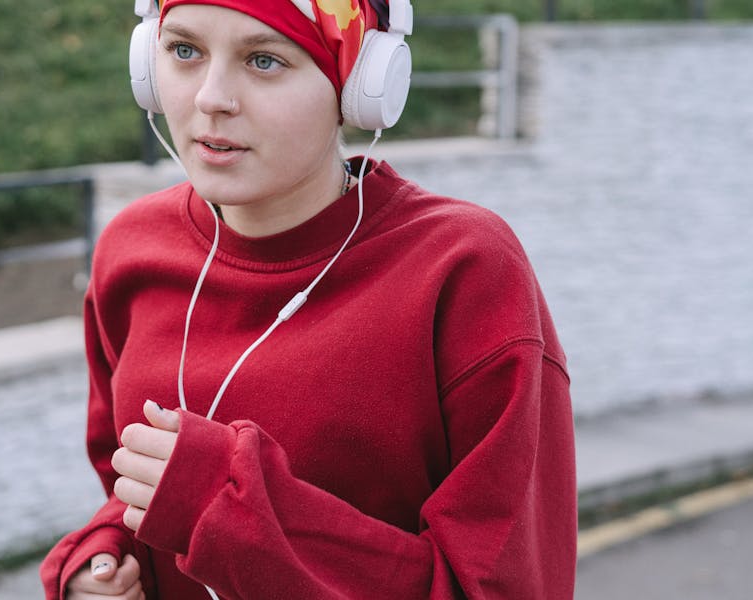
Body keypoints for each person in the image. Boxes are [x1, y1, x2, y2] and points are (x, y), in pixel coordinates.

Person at [40, 0, 576, 598]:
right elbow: (133, 494)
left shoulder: (464, 270)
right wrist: (105, 555)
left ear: (359, 86)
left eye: (264, 60)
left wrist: (222, 503)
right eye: (184, 50)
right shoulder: (131, 250)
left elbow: (499, 586)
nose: (212, 98)